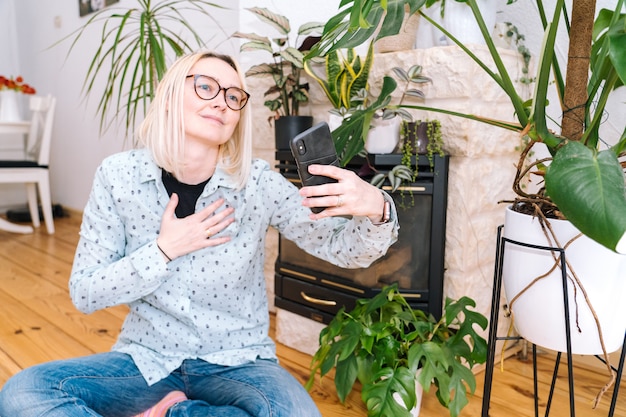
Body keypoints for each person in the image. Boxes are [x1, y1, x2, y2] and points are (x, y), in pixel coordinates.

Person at [0, 51, 398, 417]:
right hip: (147, 361)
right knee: (23, 394)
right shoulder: (118, 177)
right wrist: (163, 250)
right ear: (171, 95)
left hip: (239, 361)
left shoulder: (258, 183)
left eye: (234, 96)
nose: (221, 101)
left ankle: (176, 412)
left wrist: (377, 207)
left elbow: (341, 247)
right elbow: (85, 293)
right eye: (206, 86)